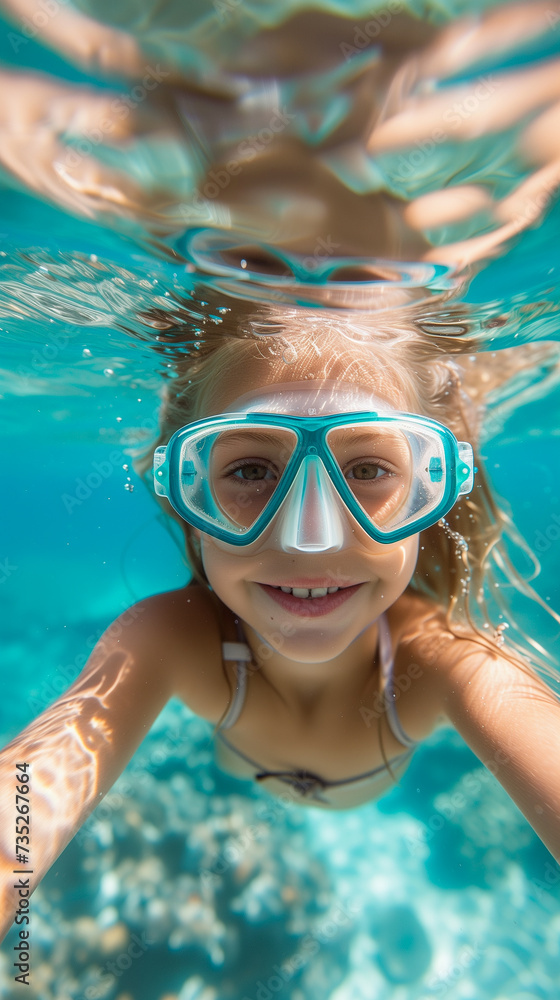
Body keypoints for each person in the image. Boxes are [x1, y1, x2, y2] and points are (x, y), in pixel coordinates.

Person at [1, 296, 559, 942]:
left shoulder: (441, 662)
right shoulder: (171, 641)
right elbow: (26, 798)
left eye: (370, 468)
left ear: (430, 488)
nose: (310, 539)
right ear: (187, 492)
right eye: (252, 470)